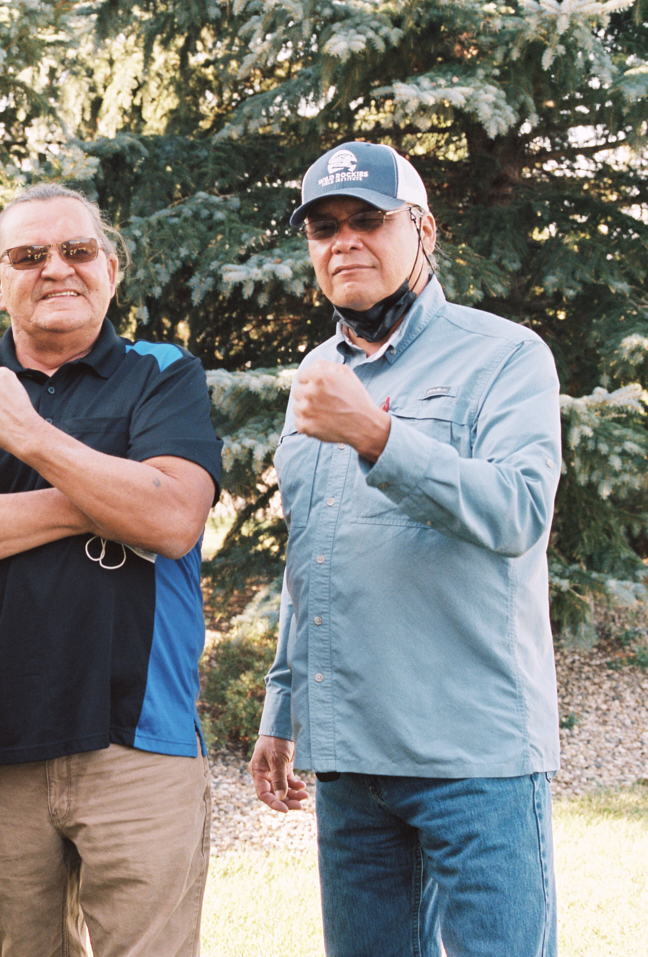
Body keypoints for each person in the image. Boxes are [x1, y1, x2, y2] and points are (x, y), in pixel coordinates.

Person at [0, 184, 223, 957]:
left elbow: (173, 519)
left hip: (138, 738)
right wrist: (101, 496)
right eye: (30, 255)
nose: (57, 270)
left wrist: (29, 438)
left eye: (77, 251)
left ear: (110, 268)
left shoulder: (162, 373)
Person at [250, 141, 563, 957]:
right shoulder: (318, 370)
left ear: (422, 229)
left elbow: (521, 510)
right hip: (351, 763)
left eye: (368, 219)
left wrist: (378, 436)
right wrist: (283, 708)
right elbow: (309, 554)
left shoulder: (506, 355)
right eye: (323, 227)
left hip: (476, 758)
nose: (343, 240)